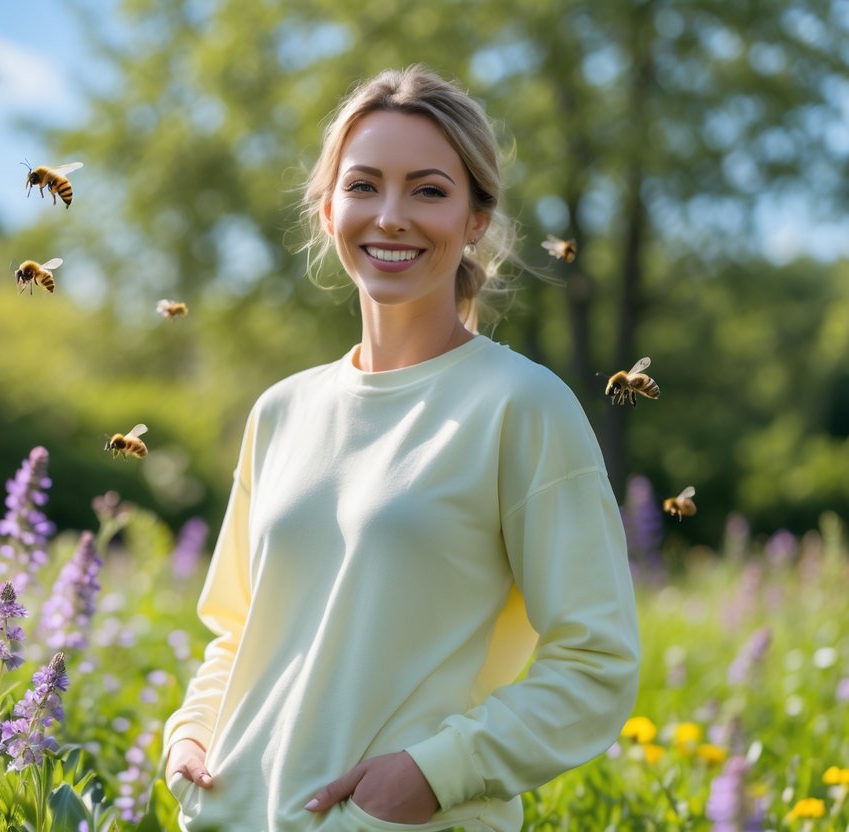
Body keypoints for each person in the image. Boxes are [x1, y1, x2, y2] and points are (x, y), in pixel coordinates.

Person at [162, 65, 640, 832]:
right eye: (363, 187)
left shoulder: (521, 406)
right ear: (326, 210)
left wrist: (430, 775)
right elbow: (237, 630)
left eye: (427, 189)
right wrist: (191, 734)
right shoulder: (281, 410)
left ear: (476, 217)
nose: (390, 216)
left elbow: (596, 665)